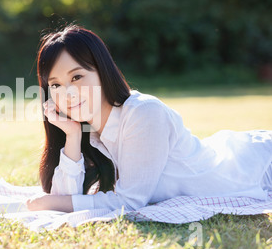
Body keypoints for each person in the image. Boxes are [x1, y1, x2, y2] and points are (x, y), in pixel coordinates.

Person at [26, 24, 272, 213]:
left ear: (102, 71)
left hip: (255, 169)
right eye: (55, 85)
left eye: (77, 77)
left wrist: (52, 202)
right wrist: (71, 135)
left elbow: (129, 202)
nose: (66, 93)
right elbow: (61, 197)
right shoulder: (88, 129)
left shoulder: (143, 113)